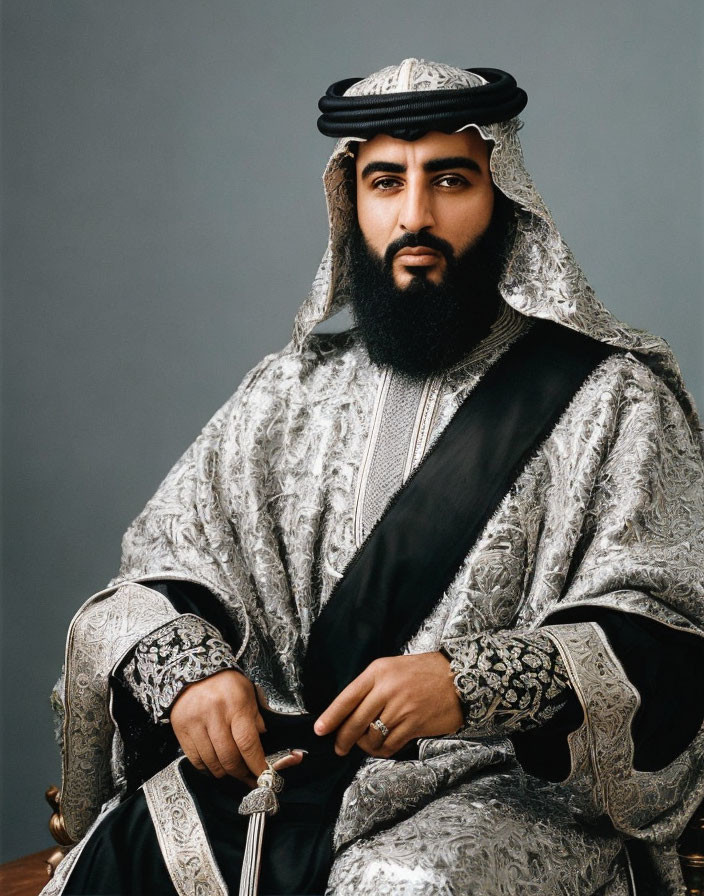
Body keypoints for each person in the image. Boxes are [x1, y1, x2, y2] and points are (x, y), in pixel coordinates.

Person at [42, 59, 704, 896]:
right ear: (350, 204)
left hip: (501, 786)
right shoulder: (286, 393)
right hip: (284, 773)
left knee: (404, 884)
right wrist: (190, 674)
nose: (415, 215)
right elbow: (165, 571)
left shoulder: (614, 400)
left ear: (503, 196)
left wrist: (470, 684)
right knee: (132, 856)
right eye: (385, 181)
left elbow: (666, 635)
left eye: (450, 181)